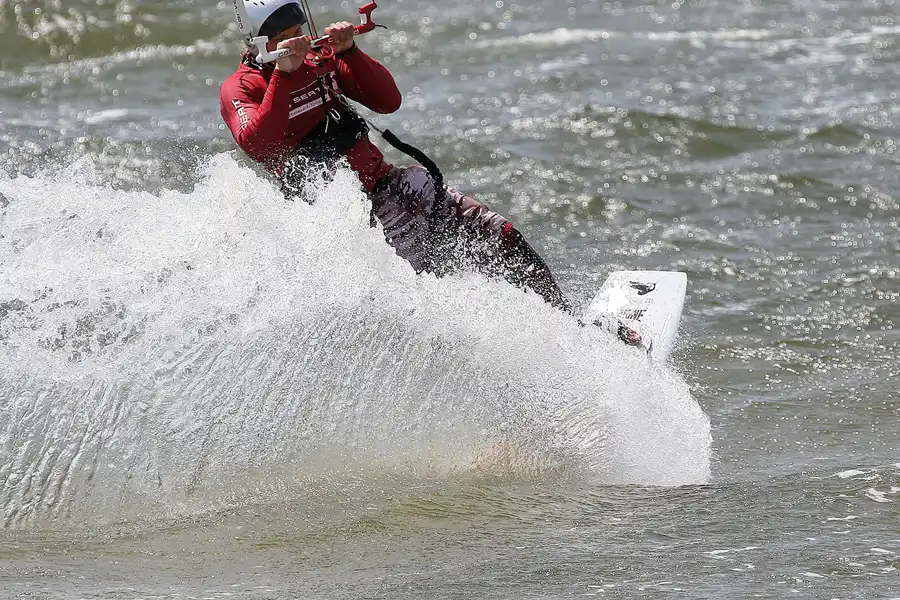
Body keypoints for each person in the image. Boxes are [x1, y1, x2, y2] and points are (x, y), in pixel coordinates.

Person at [219, 0, 643, 346]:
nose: (297, 43)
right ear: (260, 44)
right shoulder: (241, 87)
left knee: (500, 235)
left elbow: (388, 100)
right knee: (433, 301)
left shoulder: (318, 60)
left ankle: (571, 329)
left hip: (391, 186)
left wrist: (349, 52)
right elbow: (259, 144)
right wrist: (283, 75)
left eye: (299, 32)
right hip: (346, 225)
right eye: (285, 39)